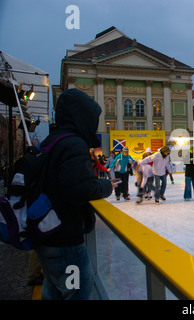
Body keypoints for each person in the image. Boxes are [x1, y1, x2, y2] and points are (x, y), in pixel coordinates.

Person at [34, 88, 119, 300]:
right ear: (82, 117)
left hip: (48, 232)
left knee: (54, 290)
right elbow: (82, 189)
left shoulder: (52, 140)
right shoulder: (73, 144)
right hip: (65, 238)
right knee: (77, 291)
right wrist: (107, 186)